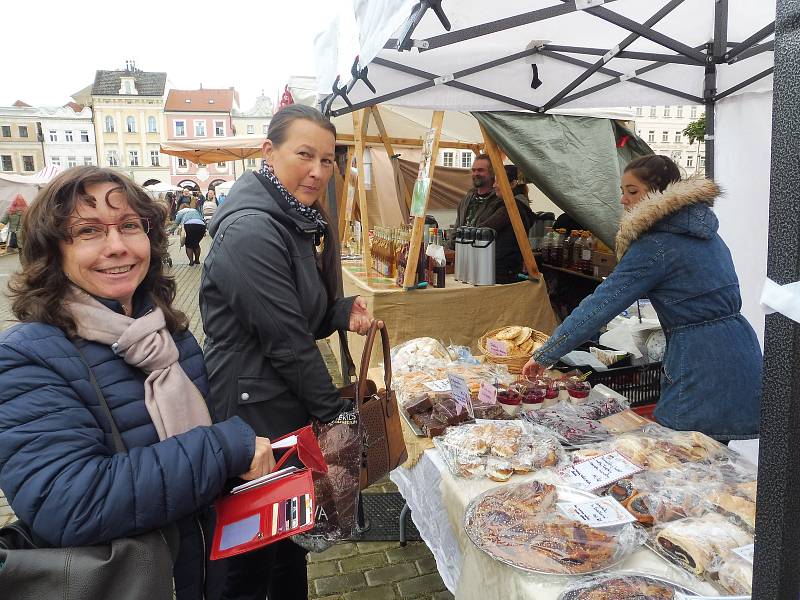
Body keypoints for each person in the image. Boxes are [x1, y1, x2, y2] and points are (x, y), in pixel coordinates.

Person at [0, 166, 276, 599]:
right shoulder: (28, 354)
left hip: (204, 572)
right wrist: (223, 449)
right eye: (88, 231)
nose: (117, 246)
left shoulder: (167, 331)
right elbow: (67, 501)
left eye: (129, 225)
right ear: (53, 252)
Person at [200, 104, 374, 600]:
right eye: (304, 155)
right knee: (250, 559)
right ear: (268, 151)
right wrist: (337, 416)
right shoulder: (253, 229)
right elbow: (287, 341)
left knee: (287, 545)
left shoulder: (294, 220)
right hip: (253, 414)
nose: (318, 170)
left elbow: (300, 317)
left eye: (327, 159)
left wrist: (339, 311)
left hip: (281, 405)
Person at [523, 155, 762, 439]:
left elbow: (600, 306)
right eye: (622, 192)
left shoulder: (656, 245)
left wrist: (546, 354)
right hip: (741, 347)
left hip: (699, 357)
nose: (624, 200)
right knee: (711, 458)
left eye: (632, 191)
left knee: (683, 454)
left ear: (660, 193)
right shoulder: (704, 231)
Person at [447, 156, 534, 283]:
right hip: (477, 267)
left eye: (480, 170)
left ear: (513, 184)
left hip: (496, 271)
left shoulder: (509, 206)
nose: (476, 173)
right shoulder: (468, 198)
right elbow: (459, 229)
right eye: (474, 170)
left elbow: (483, 230)